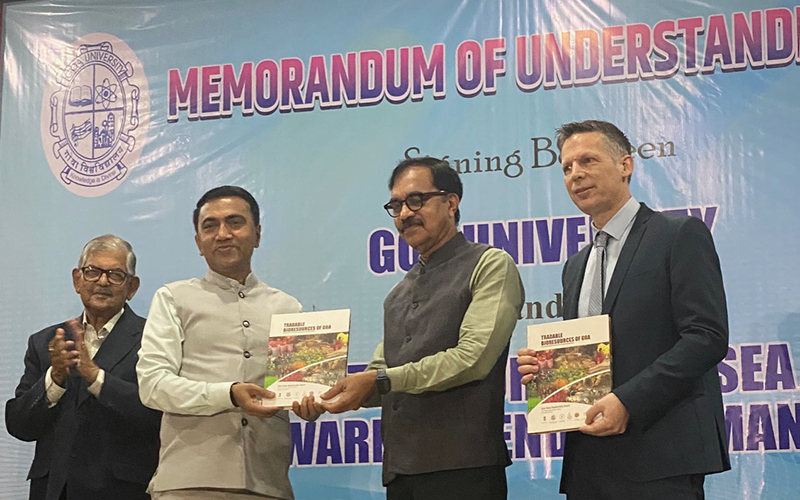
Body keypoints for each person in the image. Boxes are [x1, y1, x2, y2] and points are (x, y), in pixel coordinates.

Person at [517, 120, 730, 499]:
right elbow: (589, 358)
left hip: (662, 454)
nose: (575, 174)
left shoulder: (677, 234)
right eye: (566, 167)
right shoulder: (575, 265)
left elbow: (706, 337)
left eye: (587, 160)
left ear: (625, 165)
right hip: (590, 461)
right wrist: (547, 369)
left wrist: (628, 401)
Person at [319, 157, 524, 500]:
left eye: (416, 200)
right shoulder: (398, 294)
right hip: (402, 474)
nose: (404, 214)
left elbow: (472, 359)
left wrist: (381, 380)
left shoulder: (489, 265)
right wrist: (323, 396)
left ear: (451, 202)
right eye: (396, 205)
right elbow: (378, 374)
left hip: (463, 471)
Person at [136, 185, 320, 500]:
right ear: (198, 242)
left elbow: (303, 391)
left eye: (235, 222)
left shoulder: (289, 308)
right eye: (210, 226)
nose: (223, 233)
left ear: (257, 234)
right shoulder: (174, 298)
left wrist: (311, 402)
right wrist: (229, 394)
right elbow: (152, 385)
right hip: (188, 482)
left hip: (268, 482)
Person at [5, 234, 160, 500]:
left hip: (124, 491)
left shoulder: (154, 339)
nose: (102, 281)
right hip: (54, 491)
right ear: (77, 279)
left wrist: (96, 377)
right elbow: (19, 424)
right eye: (93, 272)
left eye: (115, 275)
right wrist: (54, 379)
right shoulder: (45, 342)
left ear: (132, 287)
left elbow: (159, 415)